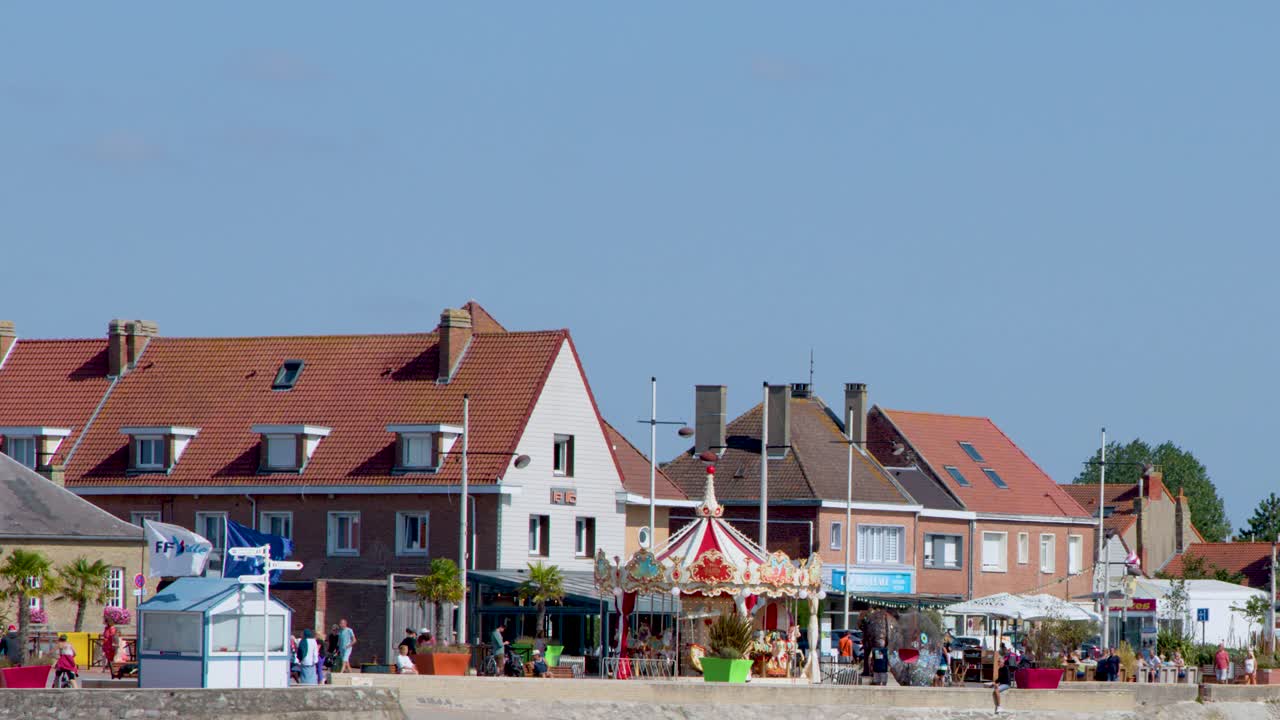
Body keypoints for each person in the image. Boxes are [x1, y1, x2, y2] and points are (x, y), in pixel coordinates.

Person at [991, 644, 1010, 714]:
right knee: (994, 687)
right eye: (998, 662)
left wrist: (997, 684)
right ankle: (998, 706)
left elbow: (1006, 679)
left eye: (999, 662)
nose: (998, 663)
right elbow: (999, 679)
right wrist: (994, 682)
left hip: (1006, 684)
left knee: (996, 690)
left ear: (1003, 662)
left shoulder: (1005, 668)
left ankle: (999, 706)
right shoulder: (1000, 669)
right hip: (1002, 683)